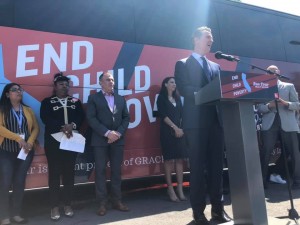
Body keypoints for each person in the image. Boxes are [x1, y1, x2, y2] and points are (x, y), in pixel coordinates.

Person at [174, 26, 231, 225]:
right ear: (195, 39)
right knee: (198, 169)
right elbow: (184, 89)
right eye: (208, 36)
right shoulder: (182, 64)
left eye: (212, 37)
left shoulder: (216, 66)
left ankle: (218, 210)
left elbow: (222, 91)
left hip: (216, 123)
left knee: (217, 169)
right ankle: (198, 213)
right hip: (195, 125)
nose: (211, 40)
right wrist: (204, 93)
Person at [40, 72, 84, 220]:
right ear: (55, 86)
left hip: (71, 142)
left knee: (69, 174)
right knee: (54, 174)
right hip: (53, 142)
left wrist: (72, 125)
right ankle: (54, 207)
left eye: (66, 85)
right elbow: (45, 118)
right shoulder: (47, 102)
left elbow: (81, 117)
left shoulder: (75, 101)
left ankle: (68, 204)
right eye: (61, 84)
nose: (64, 87)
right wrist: (62, 127)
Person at [86, 72, 130, 216]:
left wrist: (117, 134)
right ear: (100, 83)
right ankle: (102, 203)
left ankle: (117, 201)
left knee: (116, 171)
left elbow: (126, 118)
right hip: (100, 141)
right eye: (107, 80)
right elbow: (91, 119)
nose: (111, 82)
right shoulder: (93, 98)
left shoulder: (120, 98)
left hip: (117, 141)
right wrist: (107, 133)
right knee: (100, 172)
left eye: (112, 80)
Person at [0, 83, 39, 225]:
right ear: (7, 94)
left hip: (25, 152)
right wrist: (18, 138)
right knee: (5, 183)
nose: (18, 92)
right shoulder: (2, 109)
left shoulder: (27, 110)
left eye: (20, 90)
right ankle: (4, 216)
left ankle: (16, 214)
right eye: (14, 90)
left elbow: (35, 128)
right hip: (6, 151)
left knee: (19, 182)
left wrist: (30, 141)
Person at [258, 65, 300, 189]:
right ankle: (262, 181)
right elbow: (259, 108)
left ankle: (297, 180)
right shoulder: (262, 87)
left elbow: (297, 105)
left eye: (273, 71)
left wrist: (285, 103)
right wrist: (269, 106)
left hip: (288, 124)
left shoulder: (288, 86)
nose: (271, 73)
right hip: (270, 124)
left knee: (294, 152)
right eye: (268, 72)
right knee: (265, 152)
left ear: (278, 73)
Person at [157, 77, 188, 202]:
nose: (174, 84)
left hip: (179, 132)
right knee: (169, 161)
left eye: (175, 82)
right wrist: (175, 128)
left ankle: (180, 189)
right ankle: (170, 189)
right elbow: (163, 116)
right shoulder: (161, 98)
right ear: (165, 84)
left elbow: (182, 115)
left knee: (179, 160)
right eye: (171, 82)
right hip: (167, 132)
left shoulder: (178, 98)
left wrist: (181, 129)